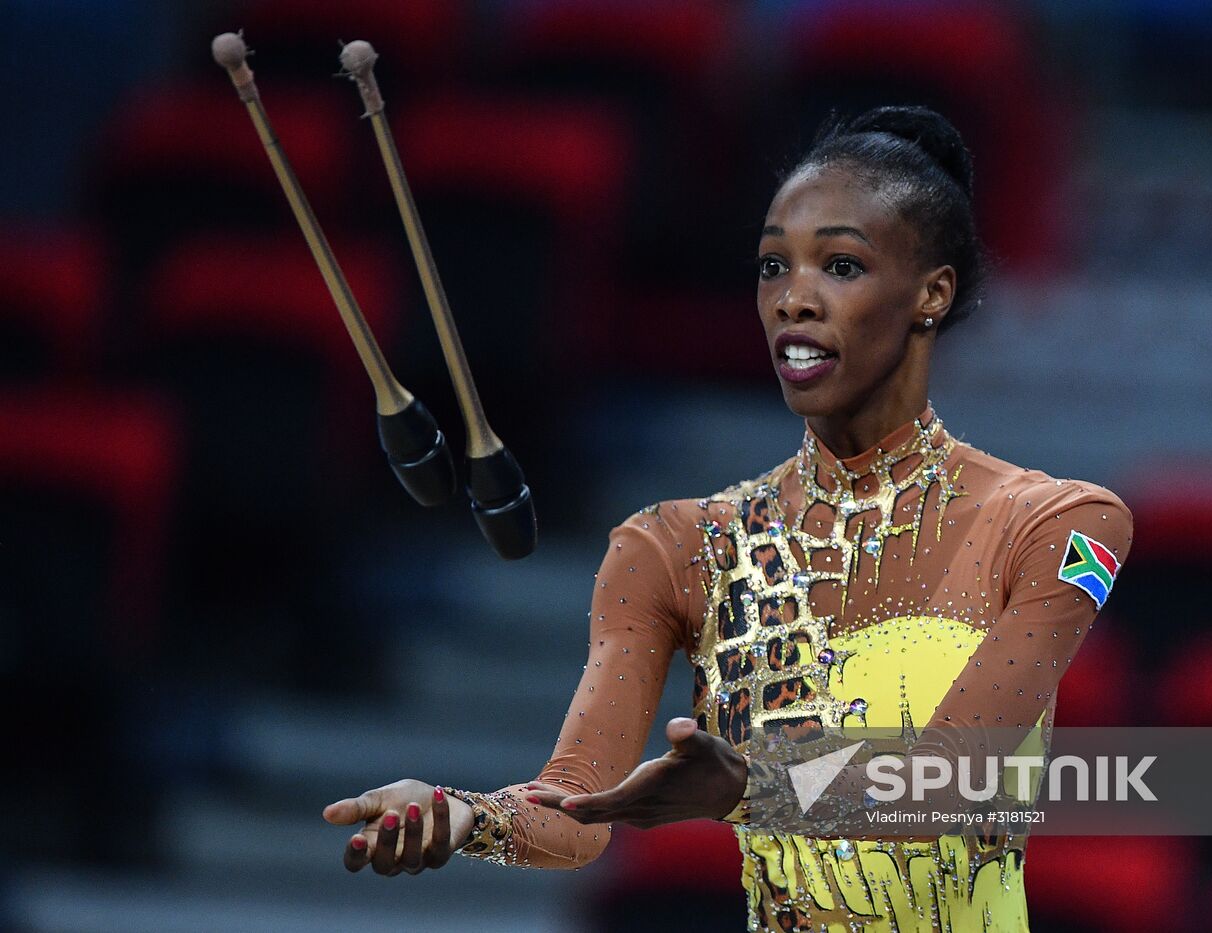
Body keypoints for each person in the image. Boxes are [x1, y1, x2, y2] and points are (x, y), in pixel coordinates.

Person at [323, 104, 1133, 931]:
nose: (794, 299)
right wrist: (463, 817)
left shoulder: (1060, 523)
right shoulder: (677, 545)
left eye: (842, 266)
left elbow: (956, 773)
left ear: (931, 292)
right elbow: (574, 812)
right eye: (774, 265)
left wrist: (752, 786)